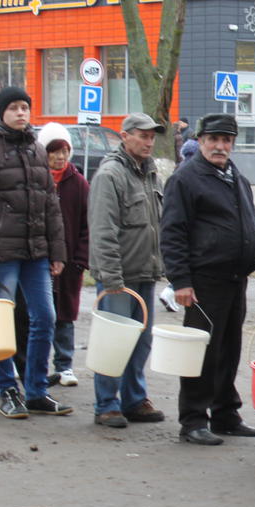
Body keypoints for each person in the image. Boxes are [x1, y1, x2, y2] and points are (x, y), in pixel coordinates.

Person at [0, 86, 69, 419]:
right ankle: (8, 388)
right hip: (0, 255)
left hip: (36, 253)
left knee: (45, 317)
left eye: (26, 107)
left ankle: (36, 390)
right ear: (1, 112)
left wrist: (57, 251)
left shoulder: (37, 150)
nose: (22, 113)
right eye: (15, 108)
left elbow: (52, 206)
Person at [161, 114, 255, 445]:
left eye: (226, 140)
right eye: (213, 139)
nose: (220, 146)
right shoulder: (186, 179)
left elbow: (250, 224)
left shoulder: (236, 178)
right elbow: (172, 233)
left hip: (236, 278)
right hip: (204, 280)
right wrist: (180, 281)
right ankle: (193, 419)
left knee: (229, 350)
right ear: (201, 141)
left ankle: (225, 414)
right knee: (201, 353)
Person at [88, 113, 168, 429]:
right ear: (124, 136)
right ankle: (106, 404)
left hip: (144, 274)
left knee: (140, 342)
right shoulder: (110, 175)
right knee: (113, 343)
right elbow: (102, 230)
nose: (149, 142)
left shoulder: (150, 175)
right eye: (142, 135)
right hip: (119, 278)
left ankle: (135, 400)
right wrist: (111, 279)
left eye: (152, 137)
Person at [37, 123, 89, 389]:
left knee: (65, 316)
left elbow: (86, 225)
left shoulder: (79, 183)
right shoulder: (36, 180)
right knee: (41, 316)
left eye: (64, 151)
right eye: (54, 151)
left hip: (69, 265)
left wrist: (80, 260)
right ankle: (39, 366)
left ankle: (65, 365)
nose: (60, 157)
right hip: (39, 262)